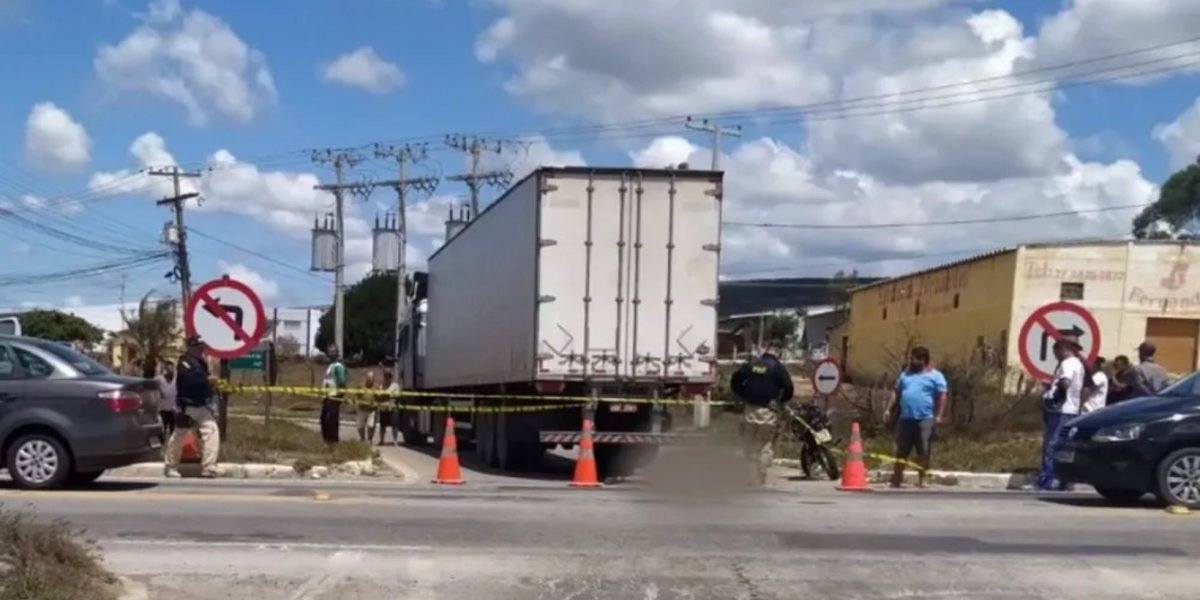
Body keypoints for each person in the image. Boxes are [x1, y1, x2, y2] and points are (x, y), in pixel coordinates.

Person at [729, 341, 794, 486]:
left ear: (766, 350)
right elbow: (788, 387)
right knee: (766, 445)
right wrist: (781, 401)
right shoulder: (777, 368)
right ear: (779, 352)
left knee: (749, 444)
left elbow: (735, 380)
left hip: (750, 409)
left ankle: (749, 476)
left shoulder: (751, 365)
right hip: (768, 411)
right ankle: (760, 476)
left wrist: (742, 394)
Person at [884, 346, 948, 489]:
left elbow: (942, 395)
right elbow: (896, 392)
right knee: (902, 449)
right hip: (905, 419)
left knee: (923, 450)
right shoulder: (905, 375)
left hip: (925, 419)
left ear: (923, 360)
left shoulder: (936, 376)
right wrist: (889, 409)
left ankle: (922, 479)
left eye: (913, 359)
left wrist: (939, 415)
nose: (911, 362)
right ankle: (896, 478)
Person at [164, 335, 219, 478]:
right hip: (187, 406)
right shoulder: (184, 362)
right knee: (179, 436)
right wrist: (207, 380)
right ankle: (170, 466)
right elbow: (190, 380)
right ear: (192, 347)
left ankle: (209, 467)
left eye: (203, 348)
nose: (202, 350)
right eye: (199, 347)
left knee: (212, 433)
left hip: (202, 405)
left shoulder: (202, 363)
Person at [1035, 335, 1084, 491]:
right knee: (1065, 447)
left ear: (1063, 348)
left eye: (1056, 350)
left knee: (1052, 445)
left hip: (1061, 410)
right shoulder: (1079, 364)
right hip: (1073, 410)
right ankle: (1065, 480)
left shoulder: (1068, 364)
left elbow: (1065, 382)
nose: (1055, 354)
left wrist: (1056, 397)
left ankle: (1047, 480)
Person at [320, 345, 348, 444]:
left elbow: (342, 381)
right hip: (327, 396)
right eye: (329, 352)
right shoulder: (330, 366)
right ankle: (326, 440)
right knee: (324, 419)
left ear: (337, 353)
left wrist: (340, 395)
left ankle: (333, 440)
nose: (330, 354)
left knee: (332, 419)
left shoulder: (338, 366)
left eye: (333, 352)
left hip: (334, 396)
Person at [377, 370, 402, 446]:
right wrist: (387, 396)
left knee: (394, 425)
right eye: (386, 376)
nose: (387, 378)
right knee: (382, 425)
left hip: (392, 408)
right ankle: (382, 440)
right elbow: (379, 396)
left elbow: (396, 396)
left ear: (391, 377)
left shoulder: (395, 386)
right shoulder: (381, 386)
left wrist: (386, 396)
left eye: (389, 376)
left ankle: (395, 440)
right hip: (383, 408)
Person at [154, 359, 178, 438]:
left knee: (173, 432)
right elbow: (151, 384)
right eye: (169, 369)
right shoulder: (159, 379)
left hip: (173, 410)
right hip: (163, 410)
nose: (171, 371)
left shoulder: (176, 379)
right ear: (165, 370)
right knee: (161, 432)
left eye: (172, 369)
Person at [356, 371, 379, 442]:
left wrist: (376, 403)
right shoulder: (361, 385)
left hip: (371, 410)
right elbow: (356, 395)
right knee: (360, 426)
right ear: (366, 378)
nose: (370, 380)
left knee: (370, 425)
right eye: (369, 378)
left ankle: (369, 439)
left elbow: (379, 397)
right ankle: (362, 439)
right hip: (362, 408)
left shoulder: (376, 387)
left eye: (371, 378)